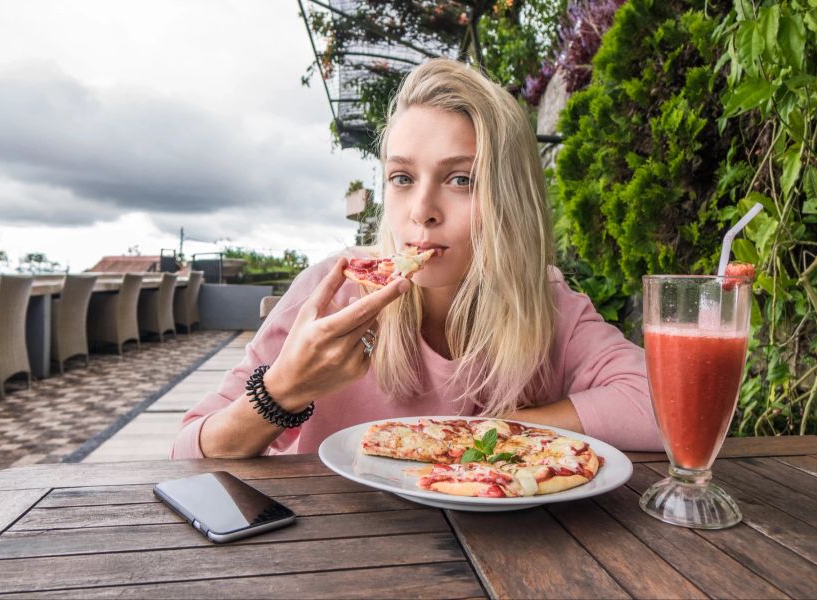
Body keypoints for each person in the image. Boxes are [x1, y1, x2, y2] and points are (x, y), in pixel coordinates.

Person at [171, 59, 662, 460]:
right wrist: (283, 391)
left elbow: (666, 406)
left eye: (460, 180)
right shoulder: (334, 290)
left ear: (510, 199)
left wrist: (476, 434)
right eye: (402, 178)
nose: (422, 212)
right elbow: (188, 450)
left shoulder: (547, 304)